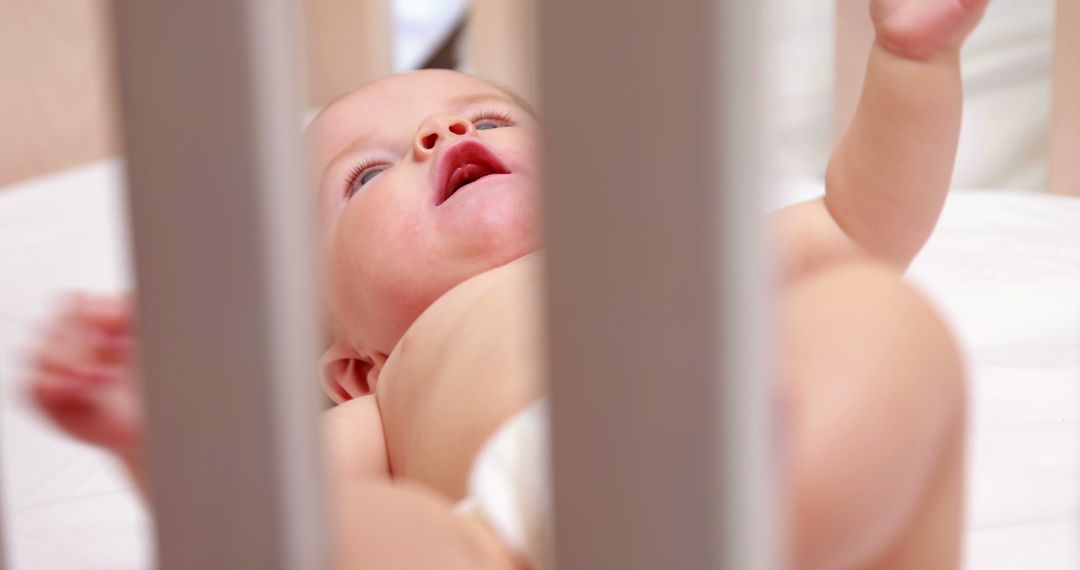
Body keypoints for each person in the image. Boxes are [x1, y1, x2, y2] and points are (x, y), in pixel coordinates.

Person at [27, 0, 989, 567]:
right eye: (365, 178)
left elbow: (859, 223)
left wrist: (911, 59)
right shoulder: (395, 391)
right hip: (516, 543)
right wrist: (177, 445)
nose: (440, 140)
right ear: (350, 367)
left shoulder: (668, 266)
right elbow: (283, 520)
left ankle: (755, 498)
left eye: (486, 118)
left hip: (751, 489)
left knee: (882, 319)